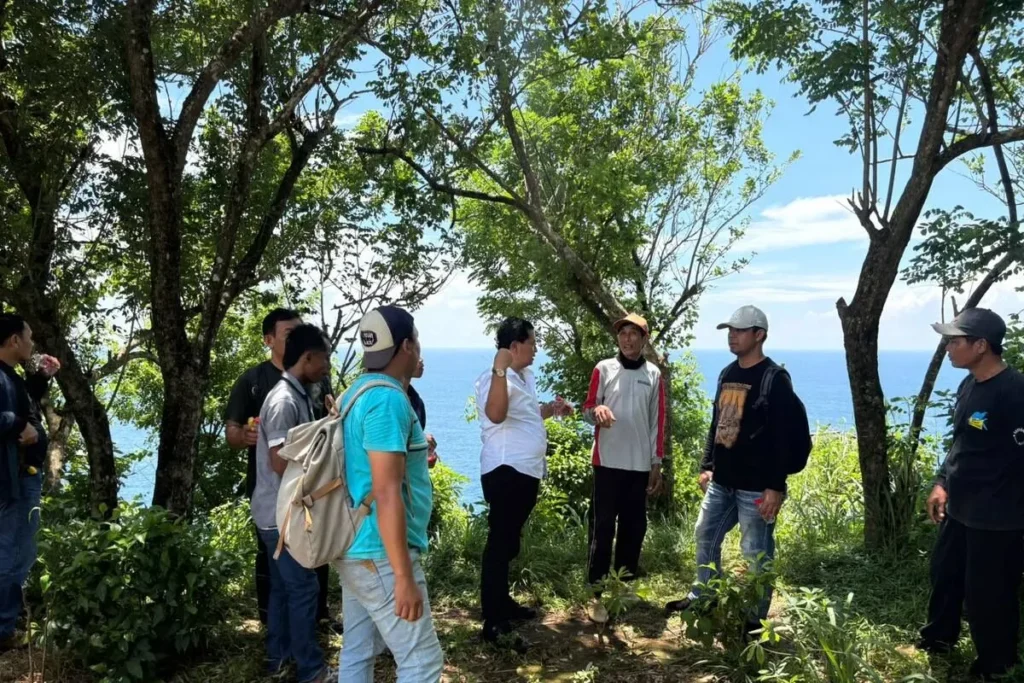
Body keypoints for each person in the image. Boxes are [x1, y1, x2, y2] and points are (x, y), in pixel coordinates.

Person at [664, 305, 802, 636]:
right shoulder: (728, 373)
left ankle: (755, 621)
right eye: (730, 330)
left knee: (756, 553)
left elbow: (784, 437)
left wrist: (775, 486)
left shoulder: (774, 379)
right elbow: (717, 423)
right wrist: (707, 465)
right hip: (722, 482)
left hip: (758, 488)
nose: (732, 335)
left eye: (739, 330)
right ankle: (705, 596)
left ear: (760, 335)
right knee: (705, 535)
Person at [335, 305, 443, 682]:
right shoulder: (387, 400)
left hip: (355, 545)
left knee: (358, 652)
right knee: (421, 663)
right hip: (380, 554)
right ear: (407, 347)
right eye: (416, 340)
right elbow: (386, 491)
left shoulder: (355, 392)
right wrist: (403, 577)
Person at [918, 308, 1024, 680]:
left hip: (998, 517)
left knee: (989, 596)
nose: (948, 347)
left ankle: (996, 666)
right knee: (944, 576)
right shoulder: (970, 384)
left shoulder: (1015, 391)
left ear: (981, 346)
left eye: (955, 340)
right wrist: (941, 482)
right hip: (960, 508)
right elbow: (961, 442)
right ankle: (938, 640)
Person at [224, 308, 337, 630]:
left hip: (311, 487)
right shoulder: (255, 382)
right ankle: (274, 627)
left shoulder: (315, 377)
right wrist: (244, 435)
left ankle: (317, 618)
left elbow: (328, 415)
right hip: (273, 490)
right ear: (268, 339)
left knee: (316, 553)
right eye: (289, 333)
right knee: (274, 561)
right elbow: (231, 431)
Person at [475, 317, 572, 651]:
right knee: (500, 544)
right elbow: (497, 414)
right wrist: (499, 370)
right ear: (514, 347)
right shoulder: (494, 380)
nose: (536, 348)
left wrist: (552, 409)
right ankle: (493, 620)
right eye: (531, 342)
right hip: (505, 470)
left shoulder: (524, 377)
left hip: (525, 471)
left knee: (509, 541)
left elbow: (527, 414)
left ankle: (503, 604)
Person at [252, 324, 334, 683]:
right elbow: (280, 461)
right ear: (308, 357)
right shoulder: (285, 401)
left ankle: (279, 659)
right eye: (325, 359)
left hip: (277, 511)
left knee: (285, 588)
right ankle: (310, 669)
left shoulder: (298, 394)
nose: (327, 367)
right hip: (279, 514)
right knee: (304, 588)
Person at [581, 313, 665, 623]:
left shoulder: (654, 375)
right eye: (623, 334)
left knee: (634, 527)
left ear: (644, 340)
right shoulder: (604, 369)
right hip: (607, 462)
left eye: (634, 334)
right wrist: (597, 410)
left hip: (640, 464)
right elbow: (587, 409)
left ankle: (625, 587)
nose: (627, 339)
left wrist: (657, 463)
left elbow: (658, 420)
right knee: (602, 528)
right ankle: (597, 592)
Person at [0, 314, 58, 651]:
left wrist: (40, 378)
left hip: (21, 478)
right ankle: (4, 629)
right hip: (14, 479)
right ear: (13, 340)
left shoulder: (10, 377)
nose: (32, 343)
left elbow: (26, 401)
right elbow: (12, 416)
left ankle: (8, 620)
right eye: (29, 337)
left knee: (19, 552)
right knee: (12, 553)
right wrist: (19, 425)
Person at [407, 357, 438, 468]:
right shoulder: (388, 399)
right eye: (416, 353)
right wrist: (420, 441)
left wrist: (425, 451)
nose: (421, 359)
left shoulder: (416, 400)